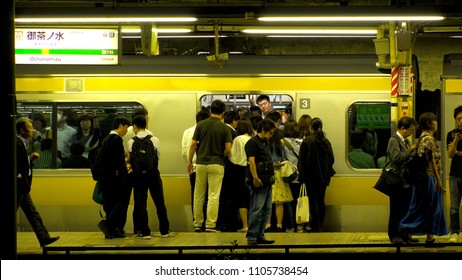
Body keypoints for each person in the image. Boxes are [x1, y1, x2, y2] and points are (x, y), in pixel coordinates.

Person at [399, 112, 447, 244]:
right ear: (429, 124)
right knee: (429, 206)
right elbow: (430, 161)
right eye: (435, 121)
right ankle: (404, 227)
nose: (437, 124)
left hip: (424, 178)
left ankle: (429, 236)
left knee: (428, 207)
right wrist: (438, 179)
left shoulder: (421, 138)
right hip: (428, 178)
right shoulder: (428, 139)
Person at [187, 99, 232, 232]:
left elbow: (193, 144)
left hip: (200, 163)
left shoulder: (201, 125)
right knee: (213, 195)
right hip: (216, 164)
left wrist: (190, 161)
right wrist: (220, 155)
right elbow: (228, 149)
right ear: (223, 113)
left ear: (210, 111)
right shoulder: (224, 128)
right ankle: (210, 225)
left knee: (198, 194)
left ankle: (197, 224)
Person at [16, 117, 60, 247]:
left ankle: (44, 237)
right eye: (30, 128)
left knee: (32, 213)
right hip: (18, 186)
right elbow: (17, 163)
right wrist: (29, 159)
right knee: (31, 213)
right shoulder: (17, 143)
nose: (32, 130)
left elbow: (21, 162)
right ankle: (44, 237)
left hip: (23, 186)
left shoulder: (22, 142)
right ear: (22, 130)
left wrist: (29, 159)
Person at [127, 115, 173, 239]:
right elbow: (158, 156)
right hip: (153, 175)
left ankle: (145, 232)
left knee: (141, 204)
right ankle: (164, 231)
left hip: (138, 177)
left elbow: (130, 160)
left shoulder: (131, 142)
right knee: (159, 203)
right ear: (145, 125)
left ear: (135, 126)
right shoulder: (154, 140)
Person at [384, 116, 419, 244]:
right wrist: (411, 149)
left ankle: (404, 234)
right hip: (396, 181)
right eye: (410, 130)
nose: (411, 133)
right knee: (396, 210)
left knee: (405, 209)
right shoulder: (394, 140)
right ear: (403, 129)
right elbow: (396, 158)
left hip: (406, 181)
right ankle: (394, 235)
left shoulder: (405, 141)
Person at [97, 116, 131, 239]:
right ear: (121, 125)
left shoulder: (106, 138)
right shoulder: (116, 139)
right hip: (114, 178)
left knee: (110, 204)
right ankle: (107, 224)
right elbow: (119, 162)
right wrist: (124, 176)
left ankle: (111, 231)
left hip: (106, 178)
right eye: (126, 128)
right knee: (122, 201)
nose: (126, 131)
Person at [298, 117, 335, 232]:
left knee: (313, 200)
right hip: (323, 177)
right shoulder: (326, 141)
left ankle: (315, 225)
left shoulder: (307, 141)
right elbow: (332, 159)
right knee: (321, 200)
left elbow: (301, 161)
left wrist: (302, 176)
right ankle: (320, 225)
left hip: (310, 177)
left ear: (311, 128)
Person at [245, 118, 278, 245]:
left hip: (267, 180)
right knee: (257, 208)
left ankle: (260, 234)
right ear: (263, 130)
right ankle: (252, 237)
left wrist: (274, 165)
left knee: (267, 209)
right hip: (259, 180)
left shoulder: (264, 143)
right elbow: (251, 161)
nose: (271, 135)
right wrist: (255, 177)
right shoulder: (252, 143)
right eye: (270, 133)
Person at [218, 119, 253, 232]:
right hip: (248, 170)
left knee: (238, 198)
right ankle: (250, 224)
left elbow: (231, 155)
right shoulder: (252, 140)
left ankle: (242, 225)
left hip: (235, 170)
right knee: (249, 198)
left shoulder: (237, 139)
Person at [182, 110, 210, 218]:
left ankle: (197, 221)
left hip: (193, 167)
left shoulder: (187, 132)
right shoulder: (208, 130)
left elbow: (184, 151)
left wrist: (189, 161)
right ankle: (207, 221)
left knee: (195, 195)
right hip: (206, 166)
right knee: (208, 196)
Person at [282, 119, 304, 233]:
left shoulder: (283, 142)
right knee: (298, 201)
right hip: (299, 176)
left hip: (288, 175)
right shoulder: (301, 142)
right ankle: (299, 225)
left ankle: (290, 226)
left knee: (289, 202)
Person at [447, 105, 462, 243]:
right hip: (455, 174)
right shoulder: (451, 135)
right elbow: (450, 154)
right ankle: (455, 231)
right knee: (454, 206)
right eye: (459, 118)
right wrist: (456, 141)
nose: (461, 121)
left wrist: (459, 153)